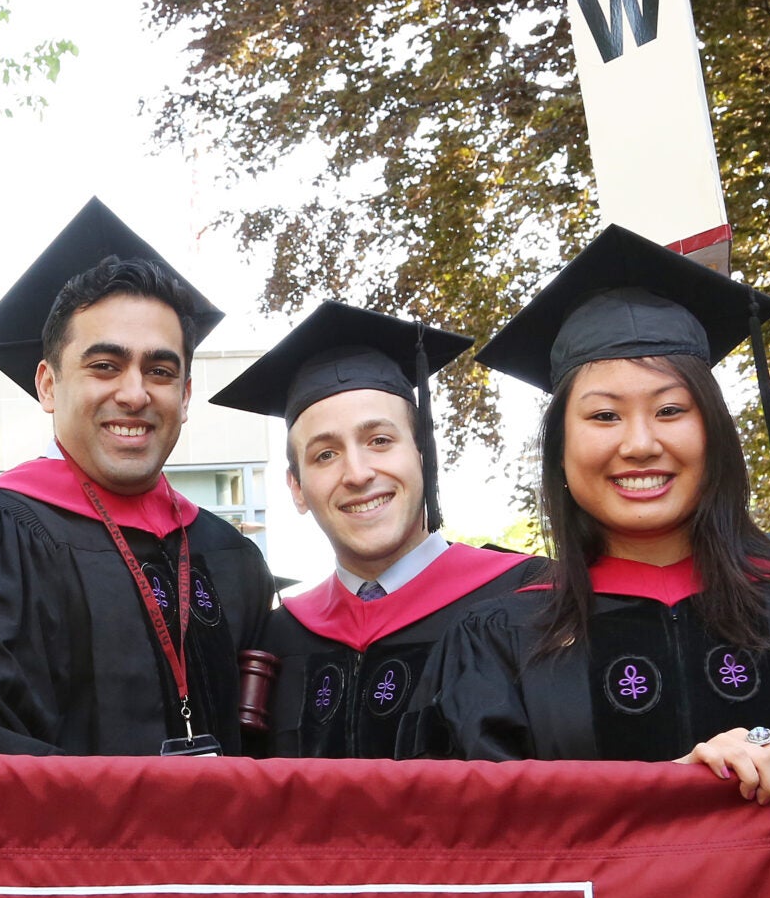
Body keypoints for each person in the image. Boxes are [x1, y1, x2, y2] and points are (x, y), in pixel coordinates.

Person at [416, 226, 770, 778]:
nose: (640, 445)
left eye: (671, 410)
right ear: (560, 450)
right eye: (604, 415)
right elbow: (488, 847)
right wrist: (672, 792)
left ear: (715, 433)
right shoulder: (504, 637)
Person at [0, 199, 277, 754]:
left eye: (159, 370)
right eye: (104, 366)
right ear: (49, 386)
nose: (134, 394)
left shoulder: (232, 558)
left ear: (184, 396)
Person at [208, 300, 538, 757]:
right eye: (325, 454)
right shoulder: (276, 641)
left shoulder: (532, 604)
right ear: (297, 489)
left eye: (379, 441)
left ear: (423, 455)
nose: (358, 473)